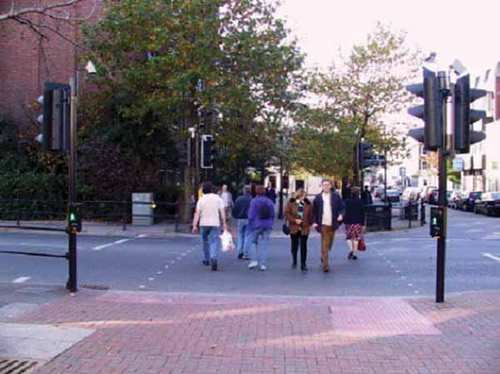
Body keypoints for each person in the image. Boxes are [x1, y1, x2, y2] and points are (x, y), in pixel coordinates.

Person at [192, 181, 228, 271]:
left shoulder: (201, 199)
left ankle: (206, 259)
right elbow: (222, 211)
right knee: (214, 241)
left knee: (205, 241)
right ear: (212, 189)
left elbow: (197, 213)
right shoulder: (218, 199)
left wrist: (194, 225)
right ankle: (214, 258)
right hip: (215, 223)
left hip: (203, 223)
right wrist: (224, 222)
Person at [312, 179, 345, 273]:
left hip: (333, 223)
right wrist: (314, 221)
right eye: (324, 185)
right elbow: (314, 211)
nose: (325, 186)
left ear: (330, 186)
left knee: (330, 244)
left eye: (327, 185)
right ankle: (325, 265)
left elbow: (342, 207)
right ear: (321, 186)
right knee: (324, 244)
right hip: (322, 223)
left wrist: (341, 215)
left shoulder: (336, 196)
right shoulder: (318, 198)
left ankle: (323, 255)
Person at [284, 188, 313, 272]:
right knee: (294, 245)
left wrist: (312, 222)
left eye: (304, 196)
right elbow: (286, 213)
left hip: (304, 227)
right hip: (294, 227)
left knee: (304, 246)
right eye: (301, 196)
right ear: (298, 196)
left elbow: (311, 214)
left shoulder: (308, 204)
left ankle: (303, 264)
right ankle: (294, 260)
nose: (303, 198)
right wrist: (294, 220)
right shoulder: (291, 202)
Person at [247, 185, 275, 271]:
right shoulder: (269, 201)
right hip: (267, 224)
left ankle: (254, 260)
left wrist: (250, 223)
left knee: (253, 242)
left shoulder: (254, 201)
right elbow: (272, 214)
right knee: (264, 245)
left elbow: (251, 215)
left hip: (256, 224)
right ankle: (263, 264)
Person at [343, 187, 366, 260]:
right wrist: (363, 224)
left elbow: (343, 211)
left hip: (348, 222)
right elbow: (362, 213)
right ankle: (355, 253)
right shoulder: (360, 202)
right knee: (356, 238)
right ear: (358, 193)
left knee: (348, 237)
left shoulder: (346, 201)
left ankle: (351, 249)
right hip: (357, 222)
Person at [232, 185, 253, 260]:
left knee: (240, 234)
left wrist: (235, 215)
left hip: (240, 218)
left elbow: (235, 208)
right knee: (248, 235)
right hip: (249, 219)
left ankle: (240, 251)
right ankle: (245, 253)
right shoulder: (252, 200)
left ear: (244, 191)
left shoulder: (239, 199)